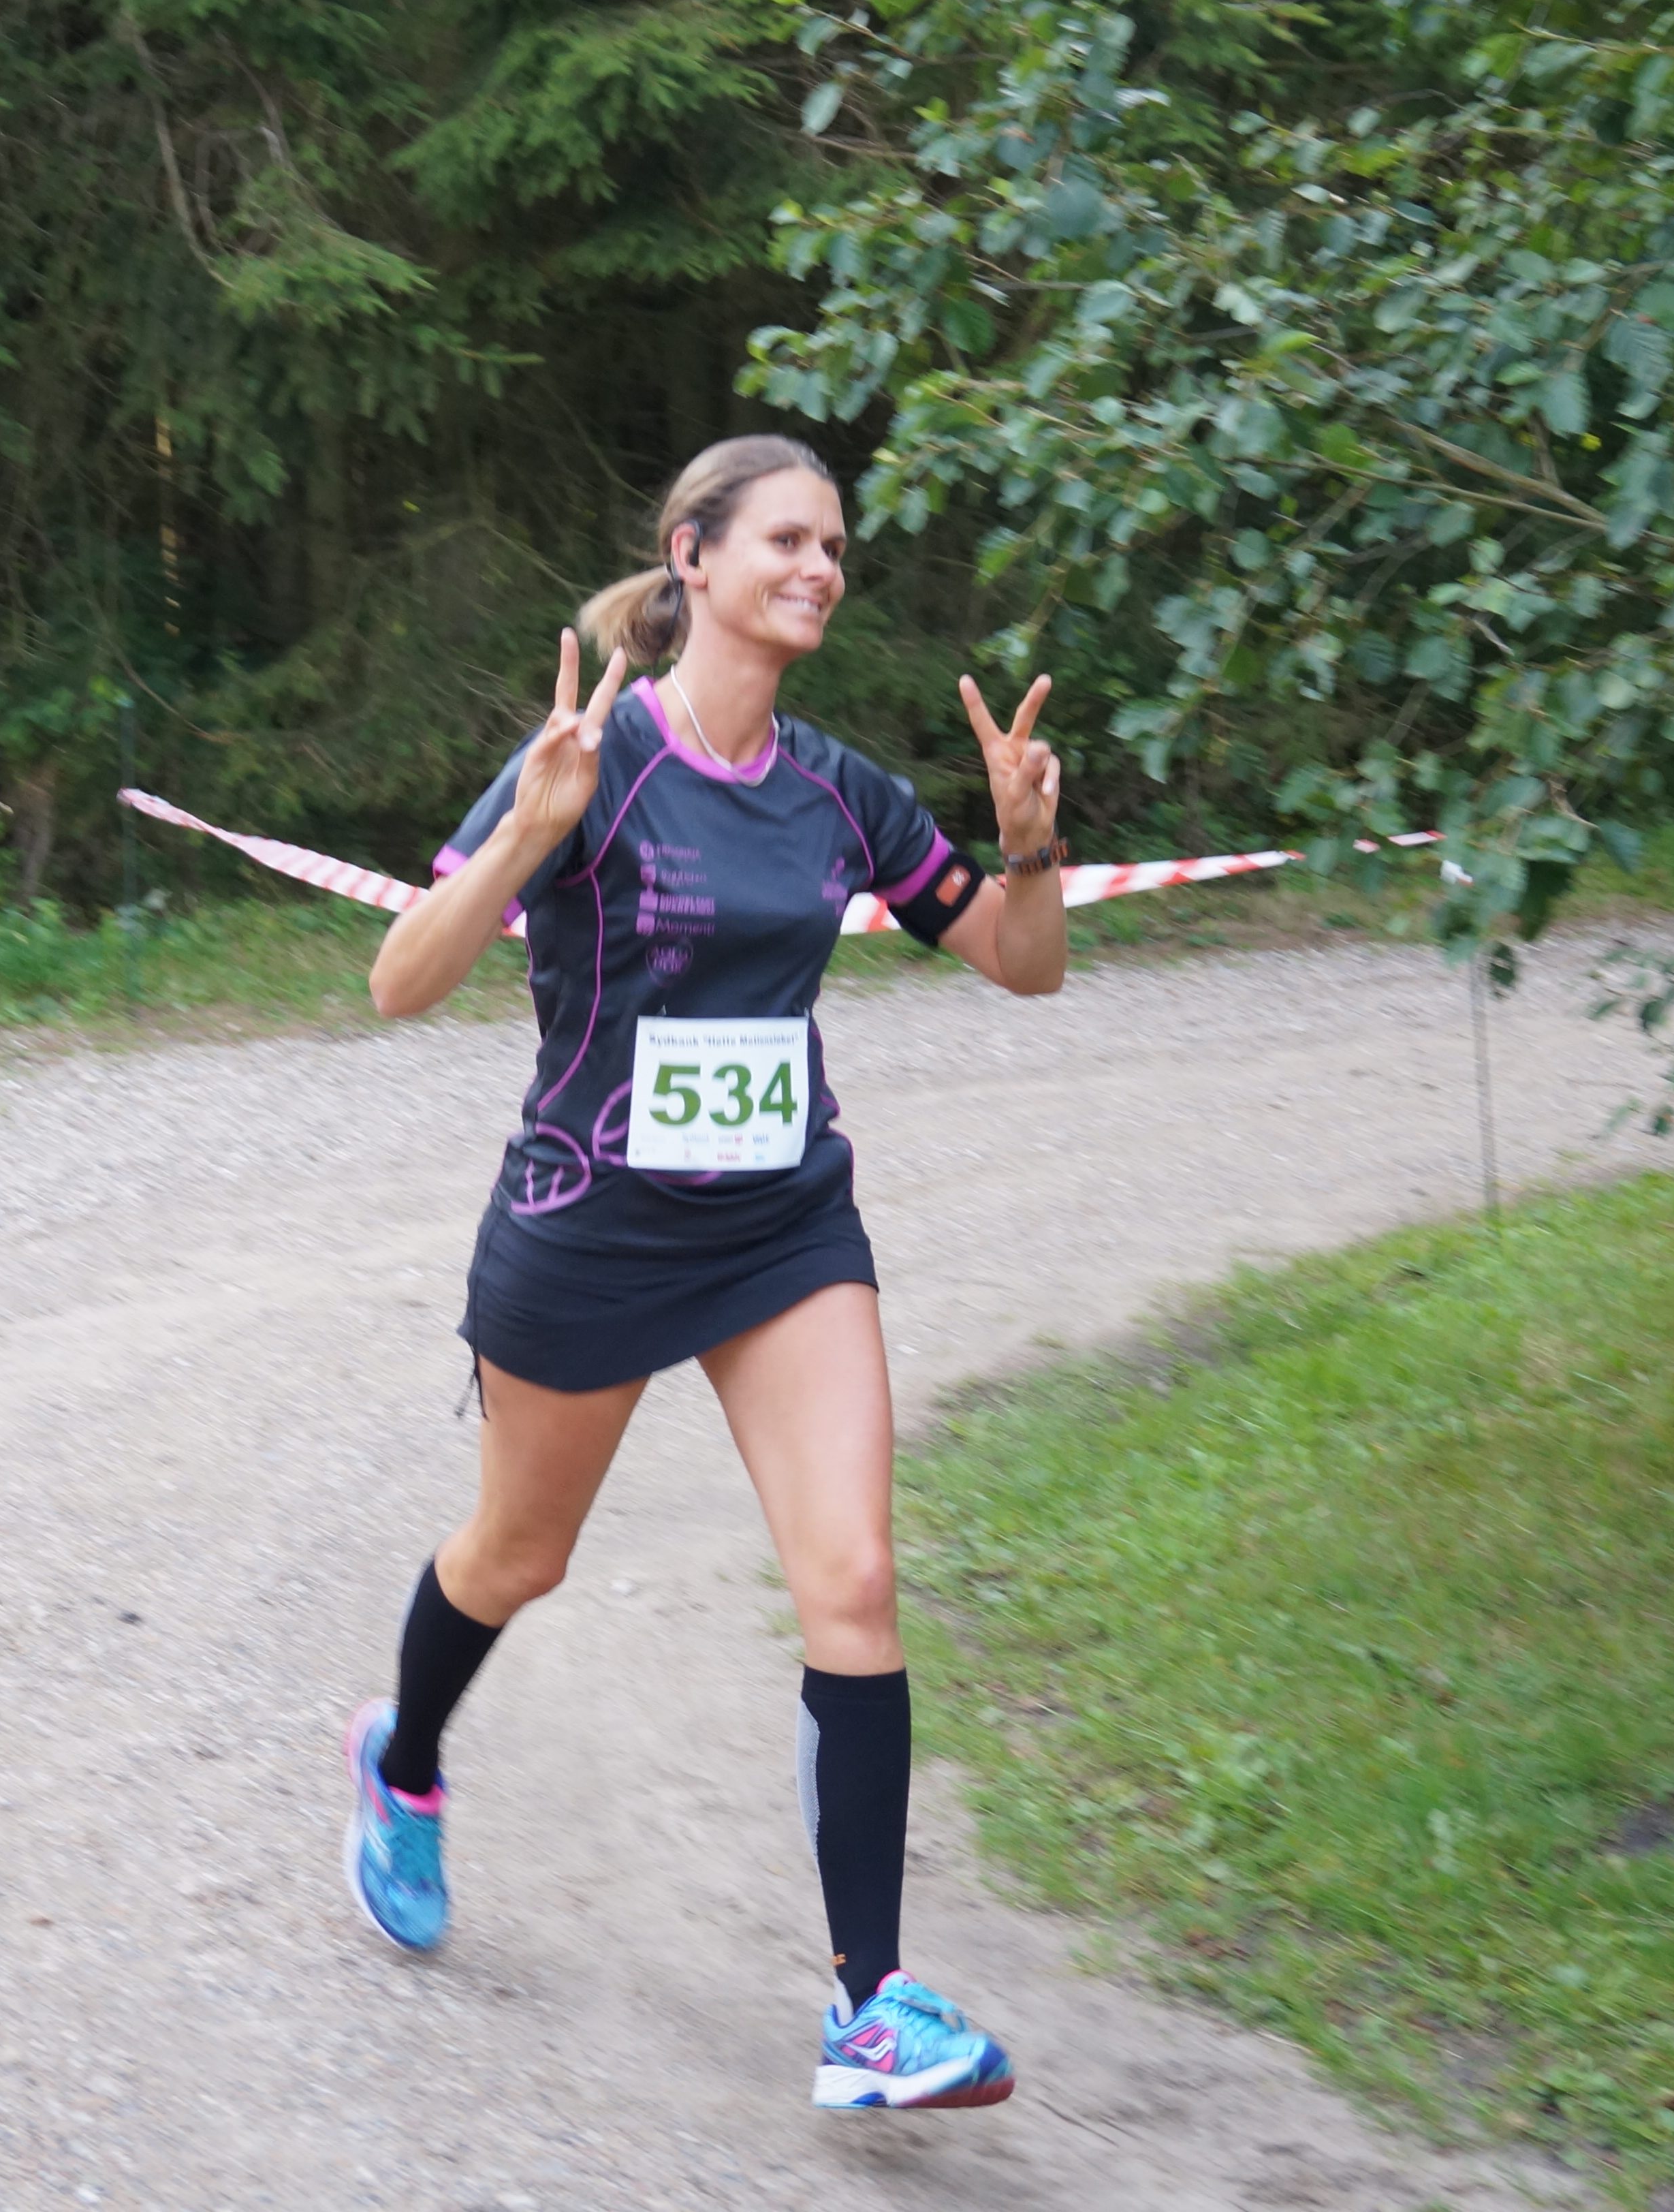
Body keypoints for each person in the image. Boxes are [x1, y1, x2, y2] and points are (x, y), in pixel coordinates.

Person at [342, 433, 1069, 2112]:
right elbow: (399, 980)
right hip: (589, 1222)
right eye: (787, 539)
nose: (819, 568)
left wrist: (1027, 846)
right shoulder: (592, 759)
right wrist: (526, 835)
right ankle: (405, 1761)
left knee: (856, 1577)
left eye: (836, 547)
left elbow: (1020, 965)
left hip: (778, 1228)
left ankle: (871, 2006)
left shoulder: (840, 789)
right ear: (693, 554)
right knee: (517, 1554)